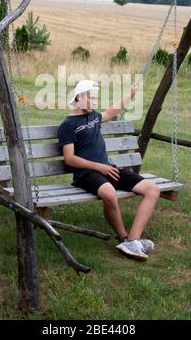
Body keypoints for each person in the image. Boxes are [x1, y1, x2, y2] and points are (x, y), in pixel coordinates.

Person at [58, 79, 160, 261]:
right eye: (90, 98)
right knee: (110, 193)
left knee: (152, 189)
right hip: (86, 174)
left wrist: (130, 94)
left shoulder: (94, 116)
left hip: (107, 170)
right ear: (78, 97)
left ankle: (134, 240)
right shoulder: (68, 125)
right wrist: (98, 166)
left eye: (96, 99)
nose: (93, 102)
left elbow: (111, 111)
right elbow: (69, 158)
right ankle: (123, 238)